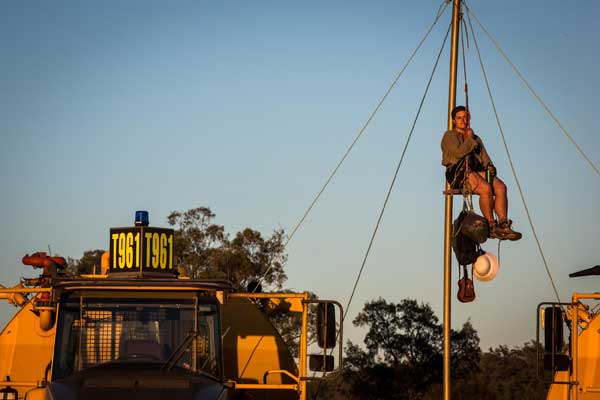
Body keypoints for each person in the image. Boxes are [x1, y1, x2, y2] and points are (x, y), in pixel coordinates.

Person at [441, 105, 521, 241]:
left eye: (465, 117)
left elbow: (485, 158)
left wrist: (490, 167)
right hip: (458, 171)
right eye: (459, 118)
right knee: (485, 188)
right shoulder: (450, 135)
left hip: (476, 170)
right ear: (454, 120)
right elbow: (458, 153)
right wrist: (469, 139)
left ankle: (503, 223)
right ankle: (491, 225)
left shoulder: (476, 138)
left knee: (501, 187)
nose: (462, 120)